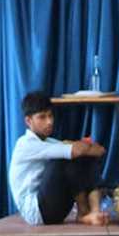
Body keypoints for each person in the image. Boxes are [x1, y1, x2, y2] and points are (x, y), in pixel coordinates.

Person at [10, 89, 106, 226]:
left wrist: (84, 148)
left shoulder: (47, 142)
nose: (49, 122)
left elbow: (100, 151)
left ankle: (95, 211)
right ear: (28, 121)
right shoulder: (25, 144)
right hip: (37, 212)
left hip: (54, 207)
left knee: (84, 157)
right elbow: (75, 150)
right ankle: (83, 212)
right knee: (64, 158)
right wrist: (81, 147)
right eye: (42, 117)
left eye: (50, 116)